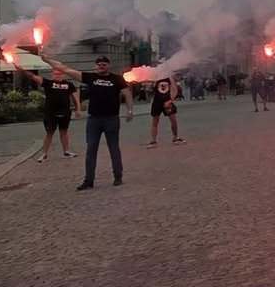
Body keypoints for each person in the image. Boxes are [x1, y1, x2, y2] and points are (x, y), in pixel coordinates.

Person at [49, 55, 133, 189]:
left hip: (111, 119)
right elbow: (65, 69)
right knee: (91, 150)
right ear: (96, 66)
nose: (101, 66)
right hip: (94, 119)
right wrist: (47, 59)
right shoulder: (90, 77)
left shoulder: (117, 79)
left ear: (108, 65)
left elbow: (127, 93)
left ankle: (118, 176)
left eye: (104, 64)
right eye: (99, 64)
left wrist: (130, 110)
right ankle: (89, 180)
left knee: (114, 148)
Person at [16, 62, 80, 163]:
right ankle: (44, 154)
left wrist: (78, 109)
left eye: (59, 73)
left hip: (65, 112)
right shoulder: (48, 83)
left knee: (64, 131)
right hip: (50, 113)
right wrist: (21, 68)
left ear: (63, 74)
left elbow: (75, 97)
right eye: (55, 73)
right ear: (52, 74)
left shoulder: (69, 84)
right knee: (49, 132)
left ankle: (66, 151)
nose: (57, 75)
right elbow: (33, 76)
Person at [147, 76, 185, 146]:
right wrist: (150, 86)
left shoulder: (169, 78)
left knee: (173, 120)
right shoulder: (155, 77)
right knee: (155, 121)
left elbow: (174, 90)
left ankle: (175, 137)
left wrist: (170, 101)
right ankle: (153, 140)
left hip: (167, 101)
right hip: (157, 102)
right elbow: (150, 90)